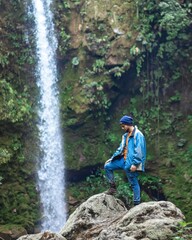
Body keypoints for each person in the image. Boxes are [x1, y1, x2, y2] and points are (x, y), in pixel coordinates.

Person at [104, 115, 146, 206]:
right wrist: (112, 159)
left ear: (128, 124)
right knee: (107, 166)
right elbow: (120, 149)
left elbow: (140, 151)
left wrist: (135, 164)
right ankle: (112, 187)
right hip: (123, 160)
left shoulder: (138, 135)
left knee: (134, 183)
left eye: (123, 126)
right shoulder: (125, 136)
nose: (122, 128)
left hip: (131, 163)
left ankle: (137, 204)